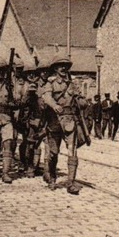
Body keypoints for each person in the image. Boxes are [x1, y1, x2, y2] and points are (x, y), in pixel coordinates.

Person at [41, 55, 88, 194]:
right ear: (55, 69)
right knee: (53, 153)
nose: (63, 68)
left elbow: (82, 102)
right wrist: (54, 105)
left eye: (66, 66)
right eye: (61, 66)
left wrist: (80, 100)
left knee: (72, 150)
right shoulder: (51, 83)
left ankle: (71, 183)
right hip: (54, 121)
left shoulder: (72, 84)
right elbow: (46, 97)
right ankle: (52, 178)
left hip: (69, 121)